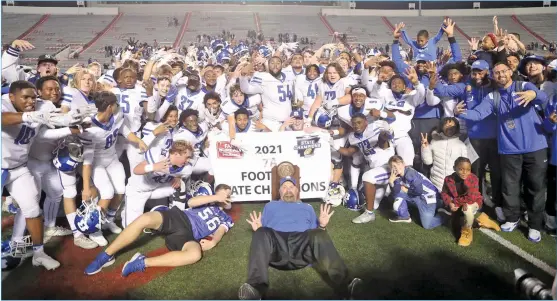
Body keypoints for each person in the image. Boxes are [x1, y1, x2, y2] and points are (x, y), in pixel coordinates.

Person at [454, 62, 548, 242]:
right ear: (493, 76)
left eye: (504, 71)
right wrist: (460, 113)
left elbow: (542, 97)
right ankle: (512, 218)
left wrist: (533, 93)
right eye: (496, 73)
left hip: (535, 147)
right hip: (509, 149)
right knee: (509, 187)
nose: (501, 75)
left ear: (510, 72)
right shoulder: (493, 96)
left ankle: (535, 225)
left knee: (535, 187)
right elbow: (479, 114)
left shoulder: (523, 86)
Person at [238, 175, 362, 300]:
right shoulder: (270, 206)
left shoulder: (307, 207)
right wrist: (259, 229)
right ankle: (256, 289)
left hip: (301, 249)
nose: (288, 189)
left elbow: (315, 239)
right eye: (284, 187)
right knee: (261, 232)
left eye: (291, 187)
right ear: (279, 191)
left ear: (297, 191)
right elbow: (264, 238)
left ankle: (347, 284)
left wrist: (322, 226)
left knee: (318, 233)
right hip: (277, 249)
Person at [85, 183, 234, 276]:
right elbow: (192, 202)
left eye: (229, 194)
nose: (227, 196)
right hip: (180, 218)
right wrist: (215, 197)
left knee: (195, 254)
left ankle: (141, 262)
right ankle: (106, 256)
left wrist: (213, 242)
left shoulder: (226, 218)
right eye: (224, 192)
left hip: (189, 236)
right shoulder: (208, 198)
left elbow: (221, 229)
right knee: (145, 219)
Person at [440, 157, 501, 247]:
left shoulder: (473, 178)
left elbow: (471, 197)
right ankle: (481, 221)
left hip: (474, 201)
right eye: (461, 169)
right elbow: (444, 193)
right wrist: (450, 203)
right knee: (455, 225)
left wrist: (455, 203)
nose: (465, 172)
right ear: (454, 168)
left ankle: (467, 232)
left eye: (468, 170)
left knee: (467, 209)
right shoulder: (448, 179)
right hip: (459, 202)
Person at [388, 155, 443, 229]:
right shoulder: (397, 177)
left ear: (403, 164)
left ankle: (444, 213)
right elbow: (395, 192)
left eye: (398, 164)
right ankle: (405, 217)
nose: (396, 168)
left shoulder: (410, 173)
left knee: (427, 225)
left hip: (428, 197)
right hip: (417, 196)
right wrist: (391, 181)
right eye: (393, 166)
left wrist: (407, 190)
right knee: (397, 194)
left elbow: (419, 190)